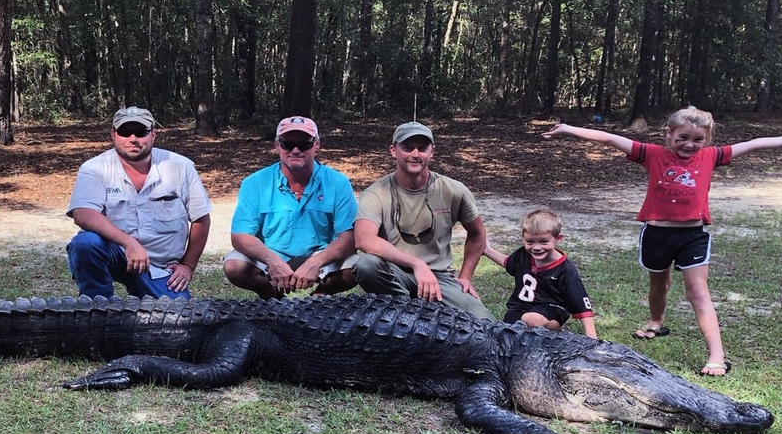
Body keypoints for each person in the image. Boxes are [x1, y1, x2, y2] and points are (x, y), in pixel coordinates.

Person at [543, 107, 782, 375]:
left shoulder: (712, 156)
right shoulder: (651, 154)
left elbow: (753, 144)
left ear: (707, 139)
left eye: (698, 139)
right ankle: (655, 321)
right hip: (657, 234)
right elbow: (610, 138)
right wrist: (568, 129)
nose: (690, 144)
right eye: (682, 137)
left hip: (692, 236)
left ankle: (717, 355)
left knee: (698, 291)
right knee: (658, 283)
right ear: (669, 133)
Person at [65, 106, 212, 299]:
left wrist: (188, 265)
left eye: (140, 132)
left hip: (160, 266)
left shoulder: (181, 167)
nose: (132, 138)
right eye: (125, 132)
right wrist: (129, 243)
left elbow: (201, 218)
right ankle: (97, 304)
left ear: (153, 134)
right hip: (117, 252)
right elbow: (83, 214)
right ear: (113, 135)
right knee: (85, 244)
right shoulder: (94, 168)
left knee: (177, 318)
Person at [352, 121, 494, 318]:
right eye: (408, 147)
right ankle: (406, 315)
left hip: (439, 276)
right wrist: (417, 264)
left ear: (432, 151)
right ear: (394, 151)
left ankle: (415, 312)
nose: (415, 154)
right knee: (366, 264)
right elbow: (364, 239)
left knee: (485, 323)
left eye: (422, 148)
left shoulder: (454, 189)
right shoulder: (376, 193)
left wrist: (466, 277)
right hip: (394, 272)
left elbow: (477, 233)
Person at [224, 116, 358, 298]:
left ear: (316, 145)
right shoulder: (254, 182)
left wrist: (316, 262)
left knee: (358, 267)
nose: (295, 150)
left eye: (304, 144)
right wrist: (272, 261)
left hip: (320, 255)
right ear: (277, 145)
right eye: (287, 143)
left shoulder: (338, 182)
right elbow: (240, 235)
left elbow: (349, 237)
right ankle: (272, 297)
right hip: (269, 254)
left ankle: (320, 297)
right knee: (234, 266)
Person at [483, 209, 597, 339]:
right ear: (523, 238)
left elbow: (583, 306)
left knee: (530, 319)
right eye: (530, 241)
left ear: (557, 238)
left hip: (552, 308)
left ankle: (556, 332)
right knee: (506, 335)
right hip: (520, 307)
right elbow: (508, 262)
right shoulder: (523, 254)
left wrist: (591, 338)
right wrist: (487, 250)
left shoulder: (565, 269)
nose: (536, 247)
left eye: (543, 241)